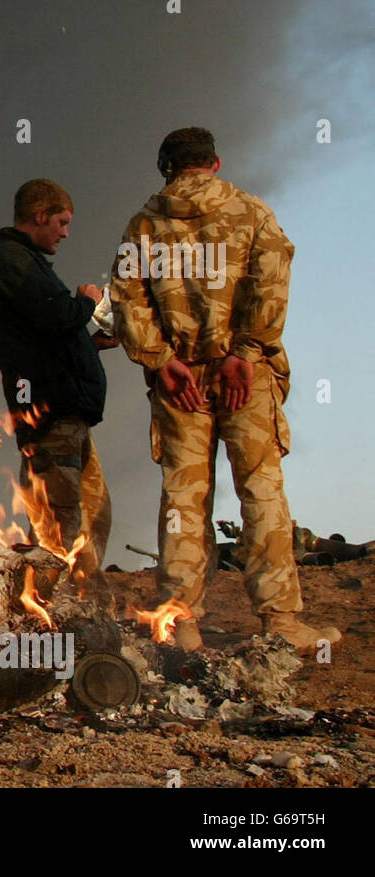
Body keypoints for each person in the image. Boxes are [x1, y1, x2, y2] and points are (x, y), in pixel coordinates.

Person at [110, 127, 341, 653]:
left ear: (167, 168)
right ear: (214, 163)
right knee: (260, 490)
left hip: (180, 383)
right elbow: (272, 281)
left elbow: (126, 301)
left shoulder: (143, 225)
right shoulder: (251, 211)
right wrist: (246, 354)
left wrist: (163, 360)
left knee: (184, 499)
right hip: (247, 379)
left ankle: (180, 625)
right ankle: (281, 622)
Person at [0, 179, 114, 610]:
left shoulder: (27, 262)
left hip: (67, 416)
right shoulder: (11, 259)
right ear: (40, 216)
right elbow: (56, 317)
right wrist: (87, 301)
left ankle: (81, 609)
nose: (65, 232)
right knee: (59, 526)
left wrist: (88, 346)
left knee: (93, 514)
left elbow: (43, 334)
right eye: (61, 222)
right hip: (49, 417)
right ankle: (47, 615)